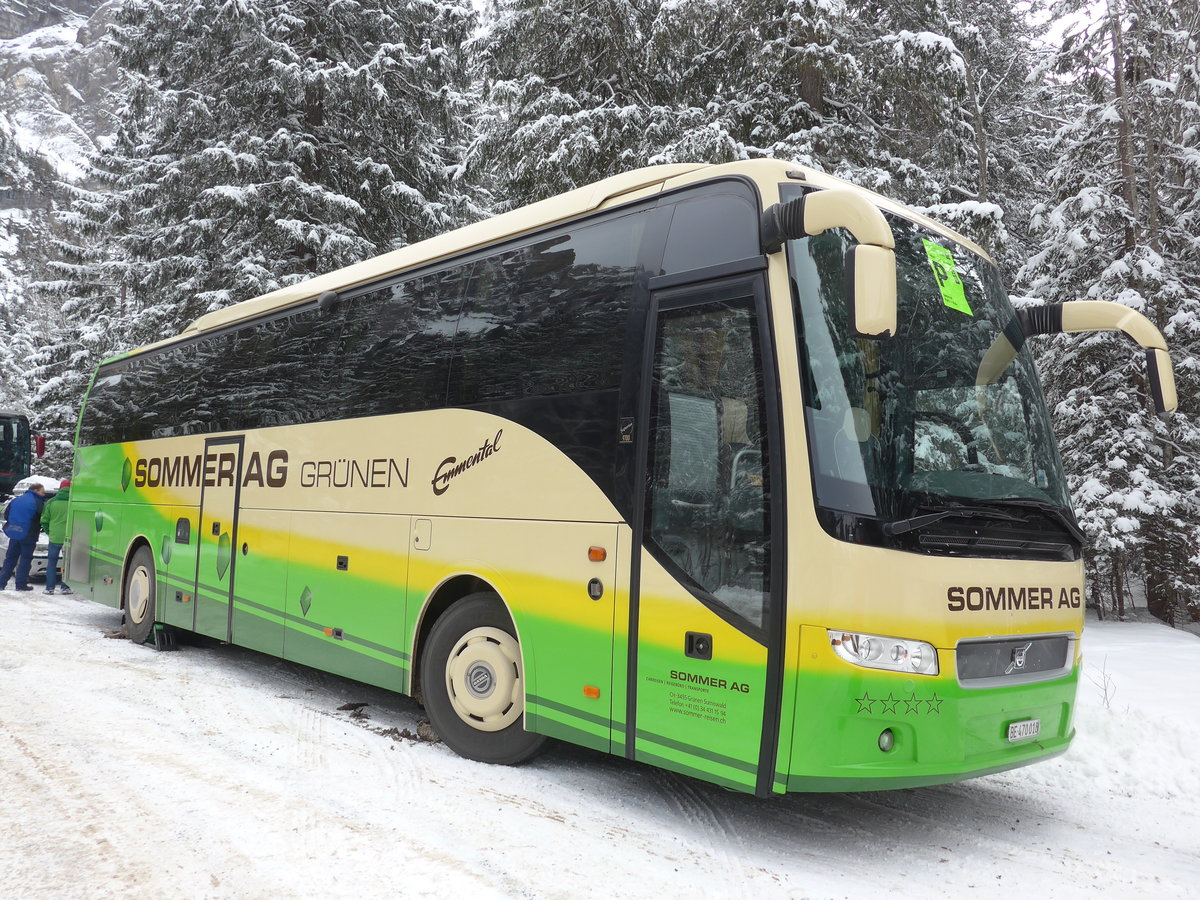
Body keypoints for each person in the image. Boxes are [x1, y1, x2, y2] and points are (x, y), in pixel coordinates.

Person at [0, 481, 47, 591]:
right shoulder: (39, 502)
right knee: (25, 560)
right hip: (29, 535)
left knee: (10, 559)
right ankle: (21, 585)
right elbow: (43, 518)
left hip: (14, 534)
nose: (43, 494)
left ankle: (1, 583)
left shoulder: (16, 500)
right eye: (42, 492)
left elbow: (7, 515)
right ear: (36, 490)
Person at [42, 478, 71, 595]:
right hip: (70, 538)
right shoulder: (74, 502)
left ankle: (49, 588)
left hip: (54, 537)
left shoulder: (51, 502)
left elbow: (44, 520)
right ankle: (65, 587)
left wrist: (49, 532)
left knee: (52, 563)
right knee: (68, 563)